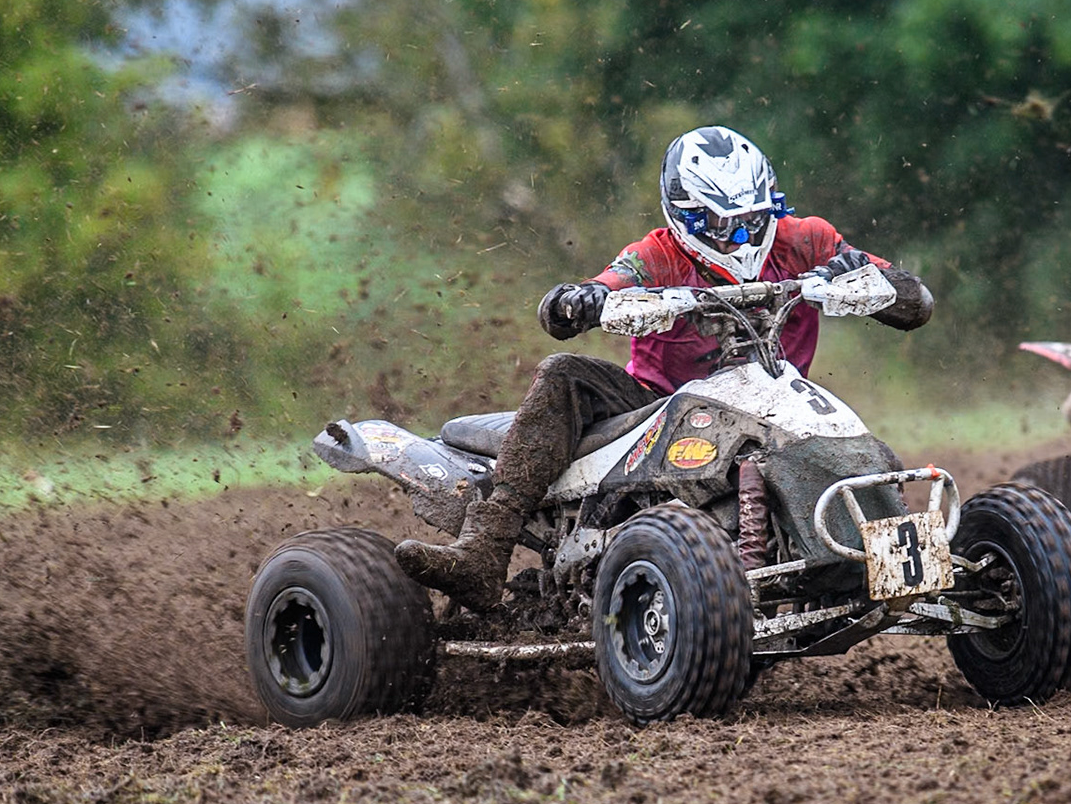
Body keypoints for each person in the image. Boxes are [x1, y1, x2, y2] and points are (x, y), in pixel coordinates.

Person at [397, 125, 935, 609]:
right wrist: (581, 299)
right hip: (653, 405)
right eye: (723, 227)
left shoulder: (808, 239)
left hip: (773, 404)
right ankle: (483, 550)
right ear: (684, 217)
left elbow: (915, 303)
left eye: (752, 221)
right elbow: (603, 287)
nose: (740, 239)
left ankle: (904, 566)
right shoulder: (656, 256)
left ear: (772, 207)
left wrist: (858, 274)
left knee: (851, 446)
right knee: (563, 371)